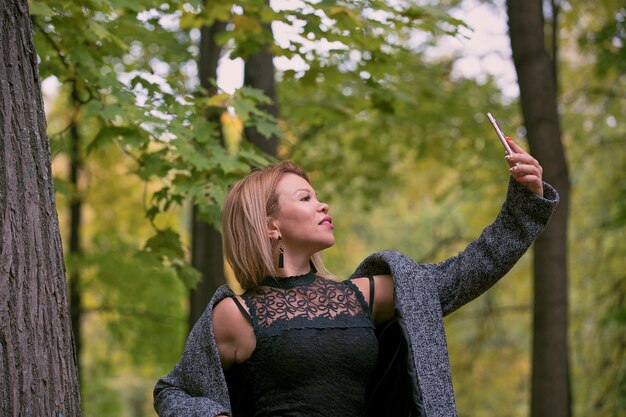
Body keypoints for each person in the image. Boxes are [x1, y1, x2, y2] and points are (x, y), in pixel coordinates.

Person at [153, 138, 559, 417]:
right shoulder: (236, 314)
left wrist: (524, 201)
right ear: (271, 225)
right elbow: (172, 390)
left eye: (318, 194)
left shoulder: (361, 297)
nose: (323, 203)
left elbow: (464, 274)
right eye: (306, 197)